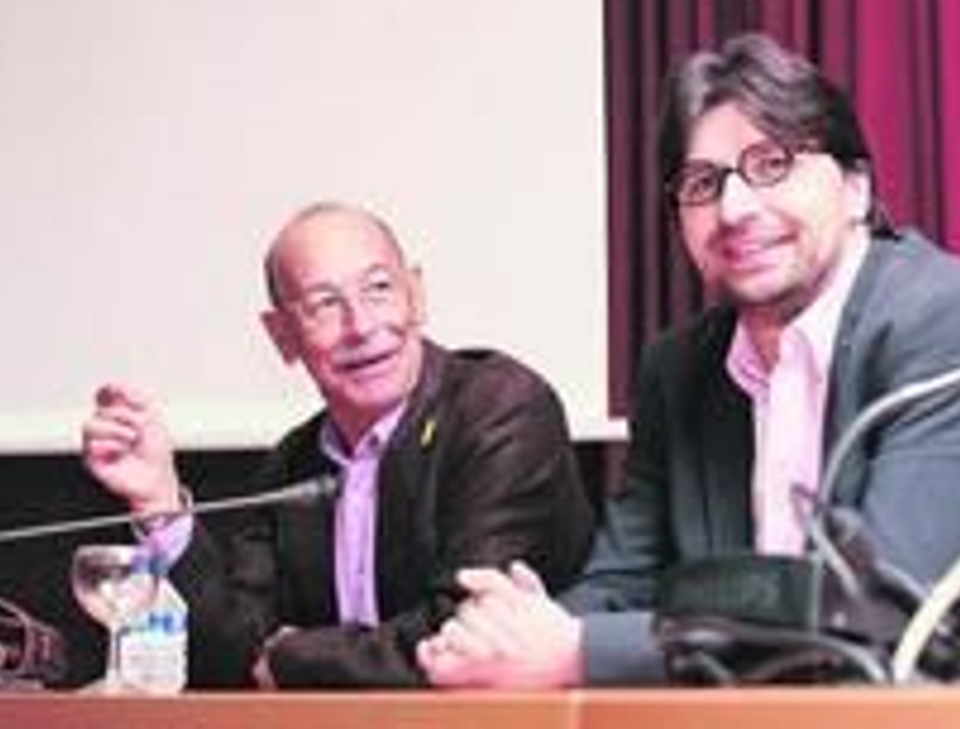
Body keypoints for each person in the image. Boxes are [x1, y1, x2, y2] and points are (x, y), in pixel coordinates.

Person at [418, 33, 960, 688]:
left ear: (856, 190)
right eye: (703, 184)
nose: (734, 209)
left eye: (772, 164)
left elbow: (884, 607)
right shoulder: (679, 369)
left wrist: (582, 650)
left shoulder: (948, 321)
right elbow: (623, 580)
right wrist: (516, 631)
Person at [81, 201, 594, 688]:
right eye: (325, 304)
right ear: (282, 335)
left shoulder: (500, 409)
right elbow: (230, 657)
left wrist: (292, 657)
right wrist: (159, 501)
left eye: (378, 289)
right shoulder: (294, 462)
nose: (362, 326)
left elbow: (464, 634)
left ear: (416, 295)